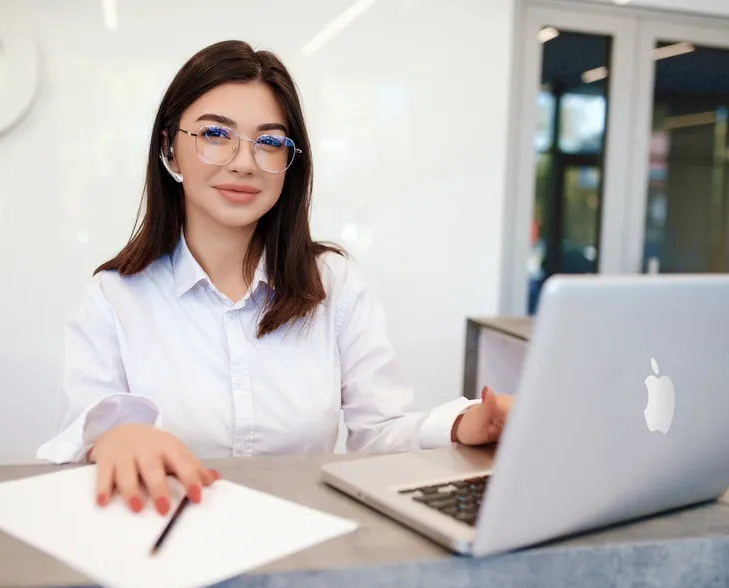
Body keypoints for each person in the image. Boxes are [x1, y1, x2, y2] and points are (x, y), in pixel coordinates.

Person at [37, 40, 513, 517]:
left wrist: (463, 425)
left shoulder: (333, 283)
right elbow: (84, 432)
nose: (244, 162)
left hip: (306, 542)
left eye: (268, 142)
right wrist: (112, 438)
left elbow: (380, 433)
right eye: (214, 134)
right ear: (170, 150)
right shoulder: (114, 298)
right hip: (166, 546)